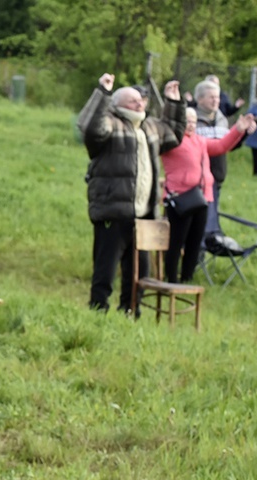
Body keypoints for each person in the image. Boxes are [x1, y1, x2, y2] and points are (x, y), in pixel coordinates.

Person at [77, 73, 186, 315]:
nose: (139, 104)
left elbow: (175, 133)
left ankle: (130, 310)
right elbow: (91, 128)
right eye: (132, 101)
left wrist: (173, 103)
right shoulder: (110, 124)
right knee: (105, 267)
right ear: (116, 106)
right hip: (113, 211)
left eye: (140, 100)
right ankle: (98, 310)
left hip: (144, 214)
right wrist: (102, 93)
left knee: (139, 269)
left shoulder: (150, 126)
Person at [161, 108, 253, 283]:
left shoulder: (200, 141)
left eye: (194, 121)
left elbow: (221, 146)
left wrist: (238, 129)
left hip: (202, 198)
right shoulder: (172, 141)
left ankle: (187, 278)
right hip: (180, 199)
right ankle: (171, 279)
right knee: (177, 241)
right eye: (187, 121)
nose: (191, 125)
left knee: (195, 242)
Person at [193, 79, 255, 237]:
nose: (216, 101)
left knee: (211, 221)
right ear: (200, 99)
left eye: (218, 97)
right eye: (211, 97)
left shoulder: (222, 119)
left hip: (218, 176)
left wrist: (243, 134)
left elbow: (227, 146)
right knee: (198, 224)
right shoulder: (192, 121)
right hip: (197, 181)